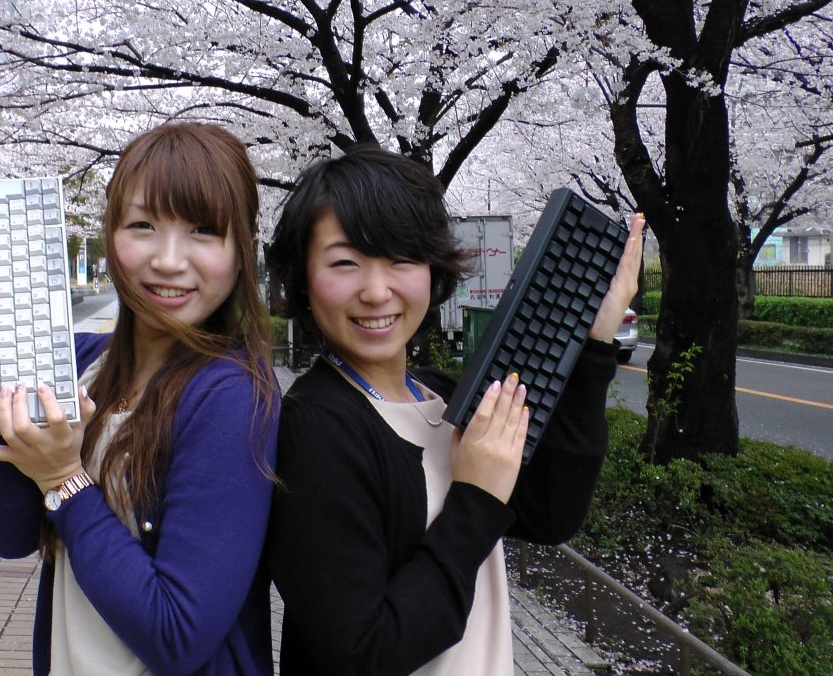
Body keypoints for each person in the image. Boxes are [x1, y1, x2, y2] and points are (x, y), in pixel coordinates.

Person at [265, 147, 645, 676]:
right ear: (304, 279)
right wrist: (474, 499)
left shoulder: (440, 396)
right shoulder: (315, 429)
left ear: (431, 269)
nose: (377, 292)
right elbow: (360, 653)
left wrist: (595, 343)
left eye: (400, 258)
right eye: (345, 262)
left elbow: (551, 513)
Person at [0, 123, 280, 676]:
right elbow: (7, 535)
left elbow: (177, 635)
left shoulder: (232, 395)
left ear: (242, 248)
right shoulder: (82, 362)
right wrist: (3, 356)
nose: (169, 260)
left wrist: (64, 480)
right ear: (111, 234)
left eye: (203, 231)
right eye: (143, 225)